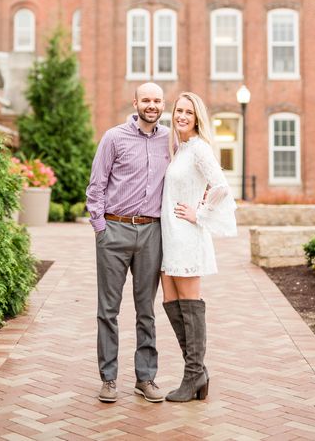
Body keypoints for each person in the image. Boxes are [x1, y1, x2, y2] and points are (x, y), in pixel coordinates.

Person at [86, 82, 170, 404]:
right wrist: (100, 229)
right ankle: (108, 379)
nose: (152, 104)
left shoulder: (168, 140)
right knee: (108, 310)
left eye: (157, 100)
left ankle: (145, 378)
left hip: (152, 233)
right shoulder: (114, 137)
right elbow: (96, 185)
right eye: (146, 99)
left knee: (146, 310)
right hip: (115, 231)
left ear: (163, 105)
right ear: (135, 102)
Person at [160, 91, 237, 402]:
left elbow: (220, 186)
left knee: (190, 304)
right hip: (170, 237)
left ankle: (193, 375)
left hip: (187, 236)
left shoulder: (199, 149)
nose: (181, 116)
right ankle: (198, 372)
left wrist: (199, 213)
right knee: (169, 300)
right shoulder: (181, 148)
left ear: (197, 118)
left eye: (188, 113)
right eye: (178, 110)